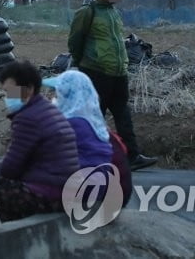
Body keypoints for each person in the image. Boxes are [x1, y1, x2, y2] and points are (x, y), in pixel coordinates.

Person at [68, 0, 158, 171]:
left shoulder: (113, 12)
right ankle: (89, 160)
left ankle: (132, 156)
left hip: (118, 73)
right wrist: (84, 64)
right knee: (94, 117)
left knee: (123, 115)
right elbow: (75, 42)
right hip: (96, 73)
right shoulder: (87, 12)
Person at [0, 60, 78, 222]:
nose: (8, 97)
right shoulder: (47, 109)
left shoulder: (28, 118)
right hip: (65, 191)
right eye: (6, 92)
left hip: (49, 194)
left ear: (29, 89)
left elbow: (9, 169)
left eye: (12, 91)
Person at [45, 70, 132, 206]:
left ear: (68, 95)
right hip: (114, 197)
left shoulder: (74, 125)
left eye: (58, 93)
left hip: (93, 199)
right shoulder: (95, 123)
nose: (54, 98)